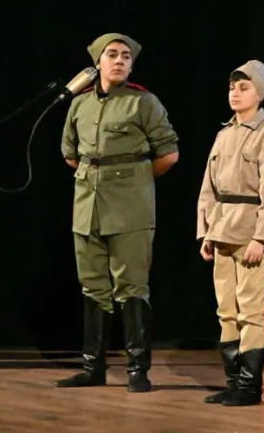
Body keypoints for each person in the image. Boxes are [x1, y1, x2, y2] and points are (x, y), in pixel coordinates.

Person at [58, 33, 179, 393]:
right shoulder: (80, 104)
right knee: (93, 285)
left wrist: (134, 180)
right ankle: (92, 367)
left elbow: (168, 154)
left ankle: (137, 369)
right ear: (97, 62)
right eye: (112, 55)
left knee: (131, 286)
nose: (120, 61)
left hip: (130, 208)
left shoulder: (143, 102)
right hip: (88, 205)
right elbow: (70, 153)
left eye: (126, 56)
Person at [198, 60, 264, 406]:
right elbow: (209, 188)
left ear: (259, 94)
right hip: (222, 229)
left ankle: (250, 386)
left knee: (250, 310)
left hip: (250, 232)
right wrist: (206, 231)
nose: (235, 93)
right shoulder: (225, 134)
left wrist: (262, 238)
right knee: (226, 310)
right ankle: (234, 381)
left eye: (244, 87)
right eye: (232, 87)